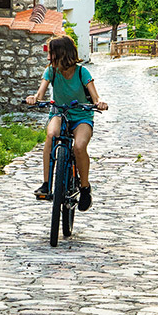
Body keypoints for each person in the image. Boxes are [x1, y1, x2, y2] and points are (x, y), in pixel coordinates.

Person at [25, 35, 107, 211]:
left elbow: (95, 95)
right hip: (59, 112)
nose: (48, 58)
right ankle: (47, 184)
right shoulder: (51, 72)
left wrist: (99, 102)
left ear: (62, 54)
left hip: (81, 116)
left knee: (79, 146)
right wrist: (35, 98)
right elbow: (40, 93)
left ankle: (85, 188)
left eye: (51, 54)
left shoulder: (81, 72)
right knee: (51, 135)